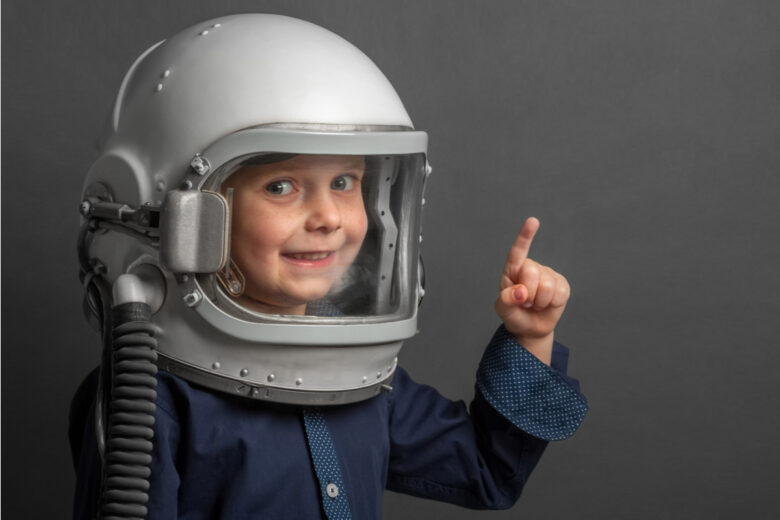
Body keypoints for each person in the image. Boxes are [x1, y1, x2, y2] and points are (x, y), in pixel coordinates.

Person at [70, 14, 588, 520]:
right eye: (281, 186)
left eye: (345, 182)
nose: (328, 218)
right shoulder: (148, 404)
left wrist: (531, 339)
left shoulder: (367, 385)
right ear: (174, 214)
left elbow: (486, 470)